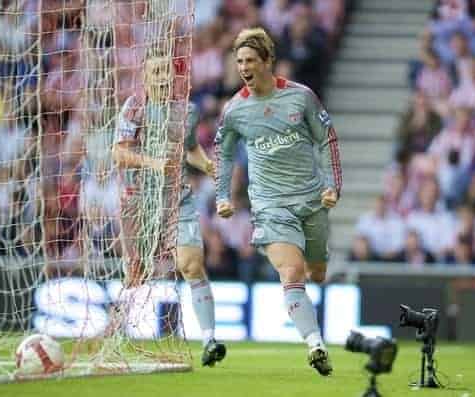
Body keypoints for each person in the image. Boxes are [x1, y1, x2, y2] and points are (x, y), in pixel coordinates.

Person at [214, 28, 342, 376]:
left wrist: (332, 186)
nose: (243, 67)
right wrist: (223, 196)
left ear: (267, 61)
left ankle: (313, 321)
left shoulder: (301, 98)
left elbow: (327, 139)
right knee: (292, 271)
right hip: (270, 206)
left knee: (316, 272)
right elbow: (223, 156)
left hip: (311, 201)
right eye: (239, 61)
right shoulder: (235, 109)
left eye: (250, 60)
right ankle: (315, 344)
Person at [112, 51, 226, 367]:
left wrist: (207, 166)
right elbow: (119, 154)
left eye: (166, 71)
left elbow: (188, 149)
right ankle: (115, 338)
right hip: (139, 201)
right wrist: (152, 162)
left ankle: (209, 340)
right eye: (156, 72)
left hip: (177, 200)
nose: (163, 77)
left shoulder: (187, 111)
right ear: (145, 78)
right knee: (135, 273)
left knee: (191, 265)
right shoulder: (134, 109)